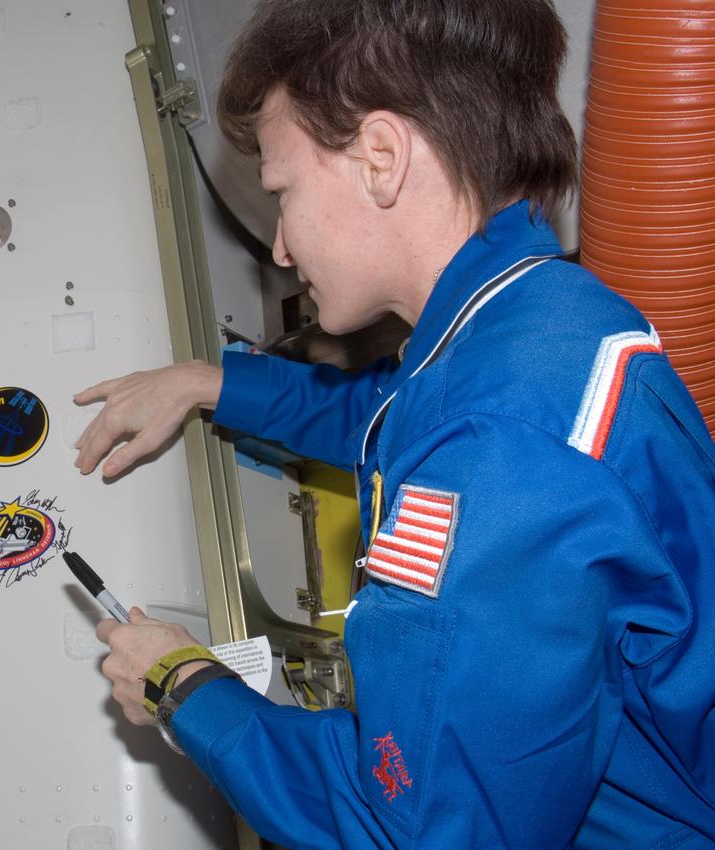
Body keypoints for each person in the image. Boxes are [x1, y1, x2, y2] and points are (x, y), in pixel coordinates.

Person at [72, 1, 715, 847]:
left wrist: (183, 686)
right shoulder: (536, 317)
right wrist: (208, 383)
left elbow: (421, 833)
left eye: (283, 193)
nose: (281, 250)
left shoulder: (497, 451)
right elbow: (391, 414)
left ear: (381, 157)